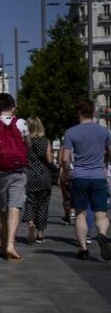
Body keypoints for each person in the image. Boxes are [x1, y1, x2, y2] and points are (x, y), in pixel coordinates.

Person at [60, 99, 111, 260]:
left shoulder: (71, 132)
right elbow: (110, 151)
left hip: (80, 176)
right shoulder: (104, 132)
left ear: (79, 113)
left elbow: (65, 158)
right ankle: (102, 234)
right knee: (101, 214)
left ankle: (83, 249)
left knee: (80, 213)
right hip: (98, 176)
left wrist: (67, 172)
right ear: (93, 112)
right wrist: (105, 163)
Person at [0, 94, 30, 261]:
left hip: (0, 173)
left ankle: (4, 245)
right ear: (13, 106)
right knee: (14, 207)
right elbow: (27, 145)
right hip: (18, 171)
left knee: (2, 210)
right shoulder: (21, 123)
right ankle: (9, 244)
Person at [22, 117, 54, 244]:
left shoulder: (24, 141)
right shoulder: (45, 141)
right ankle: (40, 234)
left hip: (29, 175)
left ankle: (30, 223)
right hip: (43, 176)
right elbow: (50, 160)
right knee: (42, 205)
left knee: (30, 203)